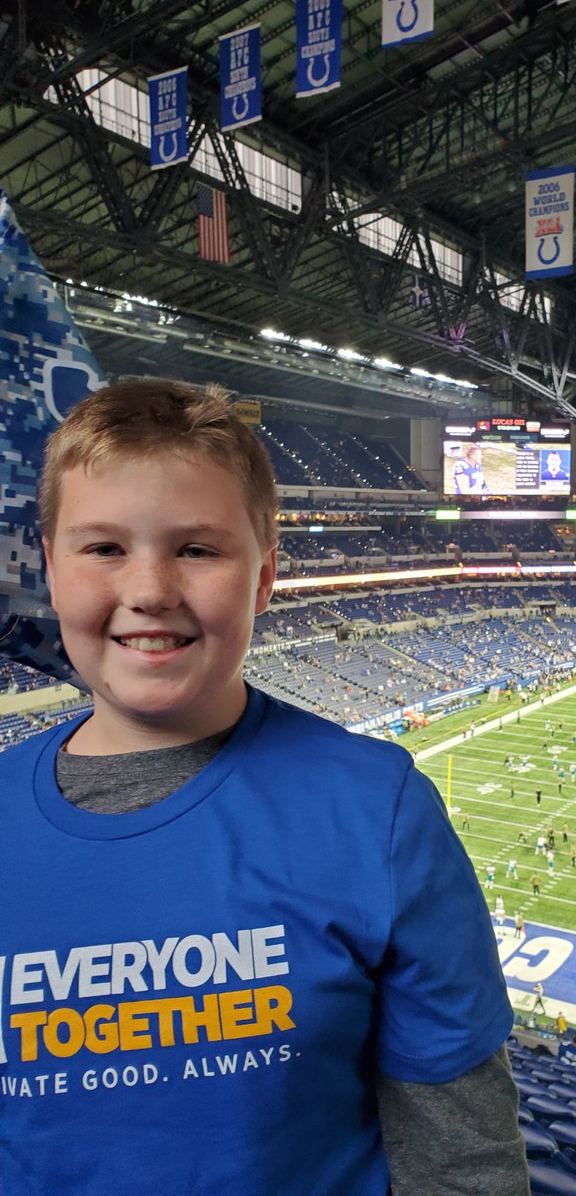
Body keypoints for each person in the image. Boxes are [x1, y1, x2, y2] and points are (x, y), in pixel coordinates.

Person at [1, 380, 528, 1196]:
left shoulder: (377, 811)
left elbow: (461, 1162)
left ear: (264, 576)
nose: (150, 591)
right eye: (103, 547)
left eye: (198, 549)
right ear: (49, 566)